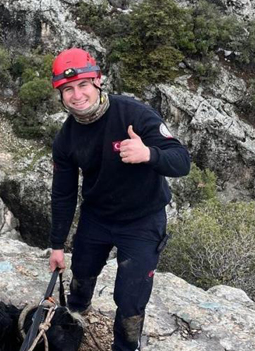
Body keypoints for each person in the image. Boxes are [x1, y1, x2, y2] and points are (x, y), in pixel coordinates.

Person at [47, 48, 190, 351]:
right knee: (81, 277)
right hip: (96, 217)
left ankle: (125, 347)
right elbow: (63, 192)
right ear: (60, 95)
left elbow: (181, 160)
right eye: (68, 89)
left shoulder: (133, 115)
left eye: (83, 85)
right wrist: (57, 245)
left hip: (142, 221)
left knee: (130, 300)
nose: (76, 95)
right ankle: (75, 318)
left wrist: (149, 154)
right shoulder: (67, 137)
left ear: (98, 81)